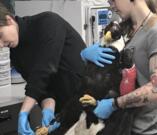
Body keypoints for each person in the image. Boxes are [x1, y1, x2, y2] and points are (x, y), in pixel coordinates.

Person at [0, 2, 115, 135]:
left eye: (1, 35)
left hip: (90, 105)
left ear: (9, 20)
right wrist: (48, 109)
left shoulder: (48, 22)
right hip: (64, 112)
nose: (1, 45)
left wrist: (23, 112)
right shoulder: (15, 54)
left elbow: (45, 69)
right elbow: (44, 90)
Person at [93, 0, 157, 135]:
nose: (111, 6)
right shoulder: (125, 29)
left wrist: (115, 104)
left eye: (113, 0)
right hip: (116, 127)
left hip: (141, 131)